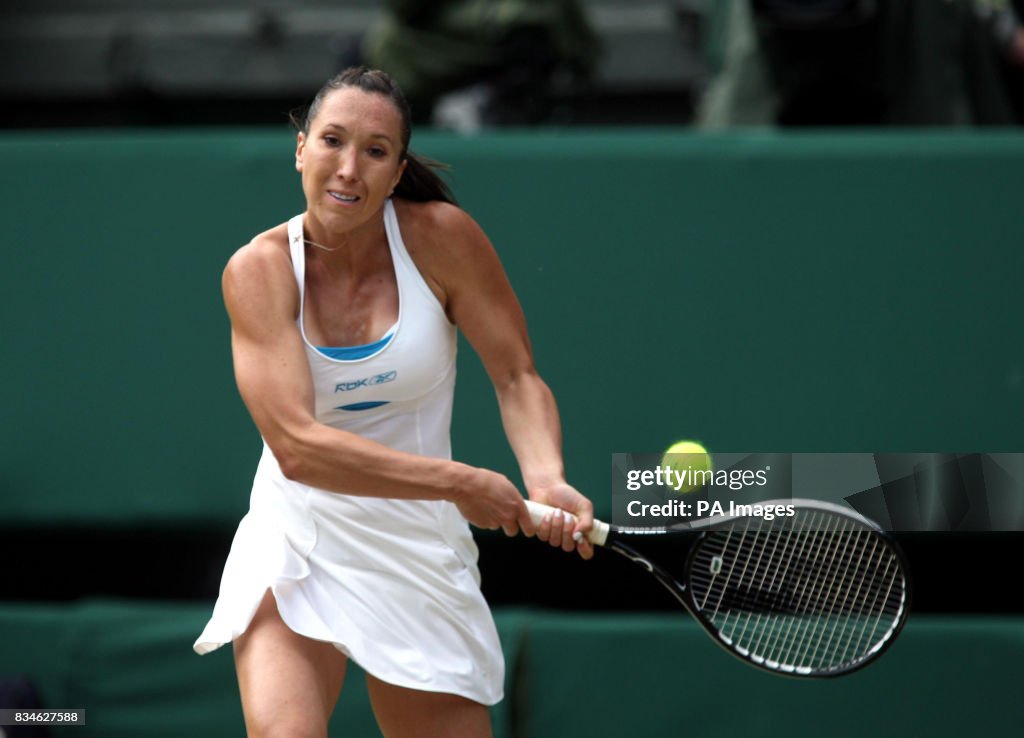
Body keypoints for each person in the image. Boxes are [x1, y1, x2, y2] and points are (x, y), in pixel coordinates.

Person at [193, 66, 594, 738]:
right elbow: (297, 448)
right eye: (332, 142)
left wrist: (546, 475)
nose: (349, 169)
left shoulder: (443, 239)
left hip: (417, 549)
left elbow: (518, 377)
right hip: (298, 539)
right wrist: (459, 482)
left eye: (375, 151)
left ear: (397, 167)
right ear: (301, 149)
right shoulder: (257, 271)